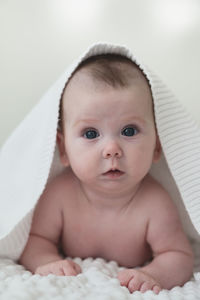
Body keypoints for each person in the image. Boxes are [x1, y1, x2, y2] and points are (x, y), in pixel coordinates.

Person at [19, 54, 194, 294]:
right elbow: (36, 240)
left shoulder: (155, 203)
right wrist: (47, 261)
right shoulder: (60, 194)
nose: (112, 149)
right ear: (63, 148)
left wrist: (153, 274)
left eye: (129, 130)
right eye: (91, 134)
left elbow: (179, 255)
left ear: (157, 146)